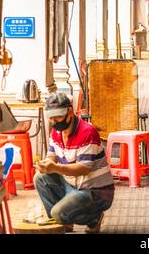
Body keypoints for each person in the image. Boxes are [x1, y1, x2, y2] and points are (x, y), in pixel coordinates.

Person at [34, 92, 115, 233]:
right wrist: (45, 165)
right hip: (71, 186)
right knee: (40, 178)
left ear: (69, 112)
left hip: (95, 192)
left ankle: (93, 218)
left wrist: (55, 167)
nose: (54, 122)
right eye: (51, 118)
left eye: (58, 116)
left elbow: (83, 168)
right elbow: (51, 157)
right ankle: (63, 224)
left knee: (58, 213)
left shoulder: (87, 132)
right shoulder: (56, 133)